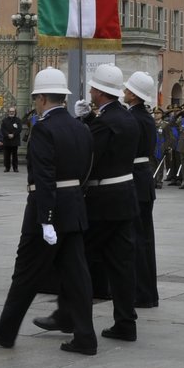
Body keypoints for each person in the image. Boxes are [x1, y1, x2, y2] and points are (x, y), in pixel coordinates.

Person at [0, 68, 98, 355]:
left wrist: (46, 219)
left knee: (26, 272)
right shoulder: (81, 127)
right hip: (74, 208)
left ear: (41, 98)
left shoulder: (44, 128)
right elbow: (88, 169)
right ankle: (85, 337)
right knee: (77, 278)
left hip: (47, 210)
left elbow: (43, 176)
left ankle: (6, 329)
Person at [38, 64, 139, 342]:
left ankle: (66, 315)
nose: (91, 92)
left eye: (94, 88)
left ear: (101, 92)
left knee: (74, 261)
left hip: (102, 201)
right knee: (120, 266)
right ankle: (126, 322)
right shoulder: (127, 118)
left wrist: (84, 124)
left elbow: (88, 156)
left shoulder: (104, 123)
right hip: (124, 197)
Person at [123, 72, 160, 309]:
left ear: (134, 95)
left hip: (136, 179)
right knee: (143, 238)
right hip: (144, 177)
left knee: (139, 239)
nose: (124, 93)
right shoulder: (143, 117)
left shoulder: (134, 118)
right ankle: (146, 292)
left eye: (127, 90)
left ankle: (143, 293)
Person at [0, 105, 23, 173]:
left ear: (15, 112)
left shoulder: (18, 120)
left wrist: (13, 134)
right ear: (8, 112)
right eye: (10, 111)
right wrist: (7, 134)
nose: (11, 112)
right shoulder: (4, 120)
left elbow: (19, 129)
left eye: (13, 111)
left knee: (15, 155)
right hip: (7, 140)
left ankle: (15, 168)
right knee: (6, 155)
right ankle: (7, 167)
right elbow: (3, 129)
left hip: (15, 140)